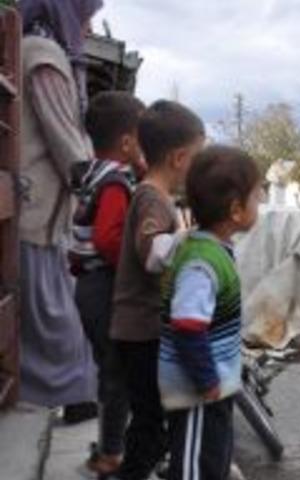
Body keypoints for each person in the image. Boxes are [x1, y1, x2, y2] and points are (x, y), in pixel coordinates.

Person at [17, 0, 102, 422]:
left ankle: (73, 393)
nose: (87, 28)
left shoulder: (29, 48)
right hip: (36, 213)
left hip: (35, 208)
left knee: (50, 312)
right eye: (85, 16)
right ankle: (75, 397)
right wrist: (95, 176)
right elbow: (65, 136)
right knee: (53, 315)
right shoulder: (45, 56)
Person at [110, 100, 205, 480]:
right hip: (141, 331)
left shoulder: (156, 195)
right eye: (199, 157)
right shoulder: (151, 196)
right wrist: (191, 238)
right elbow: (151, 254)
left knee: (152, 416)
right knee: (150, 421)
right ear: (180, 158)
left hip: (142, 329)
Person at [160, 146, 262, 480]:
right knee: (193, 466)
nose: (258, 205)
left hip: (213, 384)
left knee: (214, 456)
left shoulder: (213, 249)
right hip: (198, 390)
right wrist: (206, 380)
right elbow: (188, 326)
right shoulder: (201, 261)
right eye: (256, 199)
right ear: (235, 209)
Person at [70, 91, 146, 477]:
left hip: (91, 286)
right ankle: (112, 453)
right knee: (116, 373)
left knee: (112, 371)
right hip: (103, 286)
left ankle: (110, 444)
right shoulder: (115, 183)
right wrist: (134, 267)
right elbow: (107, 238)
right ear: (128, 142)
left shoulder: (97, 173)